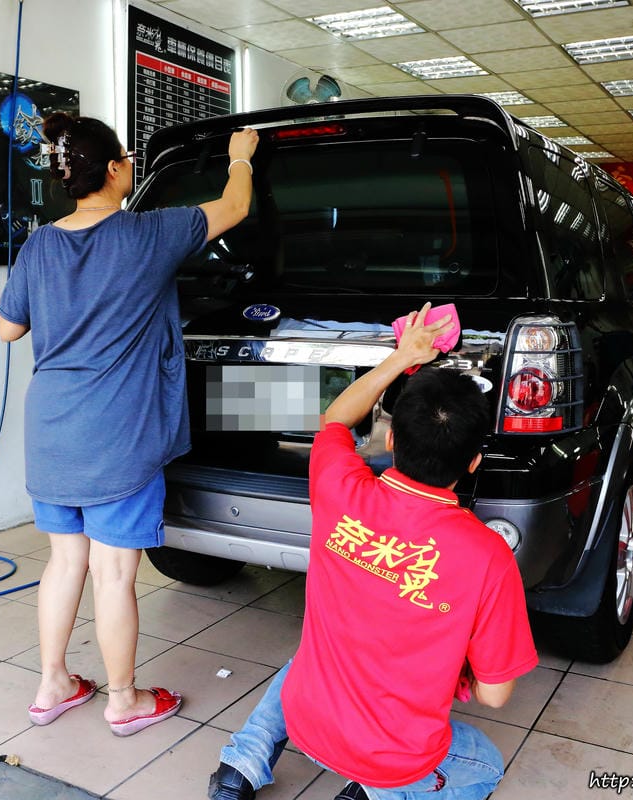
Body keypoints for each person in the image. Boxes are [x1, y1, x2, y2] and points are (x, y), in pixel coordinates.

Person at [208, 304, 539, 800]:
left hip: (306, 725)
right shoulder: (488, 555)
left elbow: (337, 418)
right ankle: (369, 792)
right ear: (473, 462)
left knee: (313, 656)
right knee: (485, 766)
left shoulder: (340, 486)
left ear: (390, 438)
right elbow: (494, 695)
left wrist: (401, 356)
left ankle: (241, 766)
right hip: (388, 759)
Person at [0, 112, 258, 735]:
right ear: (113, 169)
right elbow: (234, 206)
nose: (133, 165)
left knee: (65, 562)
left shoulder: (39, 245)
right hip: (118, 432)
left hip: (52, 431)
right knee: (114, 572)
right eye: (127, 157)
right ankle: (123, 699)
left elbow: (10, 328)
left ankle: (53, 684)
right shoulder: (149, 234)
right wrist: (240, 154)